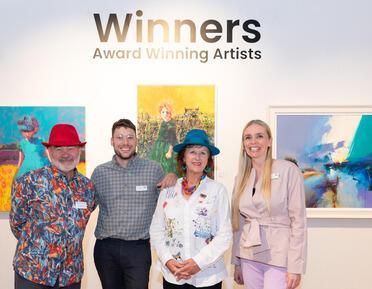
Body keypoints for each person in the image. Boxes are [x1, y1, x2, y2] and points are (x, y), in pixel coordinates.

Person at [91, 118, 177, 289]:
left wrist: (174, 176)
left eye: (130, 137)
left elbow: (170, 205)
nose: (125, 142)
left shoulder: (154, 169)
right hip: (106, 249)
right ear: (112, 141)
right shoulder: (99, 173)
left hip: (138, 249)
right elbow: (86, 207)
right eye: (120, 137)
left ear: (137, 140)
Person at [9, 124, 96, 289]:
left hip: (70, 276)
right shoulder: (29, 181)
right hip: (33, 273)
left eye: (70, 148)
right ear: (49, 151)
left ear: (79, 150)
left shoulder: (87, 187)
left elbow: (81, 223)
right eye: (58, 148)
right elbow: (17, 224)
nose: (65, 154)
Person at [150, 129, 232, 289]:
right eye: (192, 152)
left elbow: (225, 234)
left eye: (203, 152)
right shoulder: (168, 191)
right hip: (174, 274)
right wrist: (168, 260)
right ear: (183, 157)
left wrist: (197, 263)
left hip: (208, 276)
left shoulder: (218, 190)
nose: (197, 157)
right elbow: (156, 229)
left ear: (209, 159)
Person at [231, 120, 307, 289]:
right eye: (248, 138)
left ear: (269, 141)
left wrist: (295, 266)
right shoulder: (241, 178)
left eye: (259, 136)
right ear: (243, 144)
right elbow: (238, 223)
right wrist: (236, 261)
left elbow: (298, 221)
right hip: (248, 255)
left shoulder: (288, 170)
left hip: (279, 255)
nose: (253, 142)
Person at [149, 102, 177, 174]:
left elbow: (172, 139)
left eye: (167, 112)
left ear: (170, 113)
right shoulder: (163, 123)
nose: (165, 114)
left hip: (167, 147)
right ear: (160, 113)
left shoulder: (171, 124)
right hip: (160, 147)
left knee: (166, 165)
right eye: (163, 112)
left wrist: (169, 152)